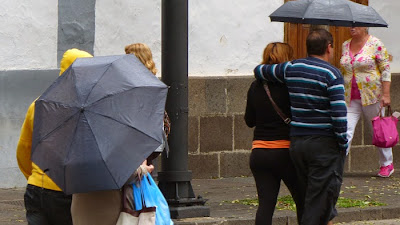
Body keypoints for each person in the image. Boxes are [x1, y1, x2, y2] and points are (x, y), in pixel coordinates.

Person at [253, 29, 348, 225]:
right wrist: (342, 141)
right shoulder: (332, 74)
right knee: (318, 200)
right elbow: (339, 114)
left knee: (309, 196)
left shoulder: (291, 68)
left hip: (298, 144)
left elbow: (259, 71)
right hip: (323, 144)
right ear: (329, 47)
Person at [71, 43, 167, 225]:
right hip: (107, 204)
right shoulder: (111, 125)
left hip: (81, 205)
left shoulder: (77, 129)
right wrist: (141, 170)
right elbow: (116, 170)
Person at [16, 48, 93, 225]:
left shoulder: (39, 104)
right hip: (69, 190)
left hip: (37, 188)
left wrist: (35, 176)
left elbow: (24, 148)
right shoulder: (88, 109)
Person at [245, 42, 302, 225]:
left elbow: (249, 121)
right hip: (285, 152)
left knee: (266, 205)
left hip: (259, 153)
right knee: (303, 201)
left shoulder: (255, 86)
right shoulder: (290, 86)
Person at [340, 27, 393, 177]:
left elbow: (386, 69)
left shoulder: (376, 43)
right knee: (345, 130)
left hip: (372, 95)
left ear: (365, 27)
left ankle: (387, 164)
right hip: (350, 97)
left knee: (379, 130)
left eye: (356, 25)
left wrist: (387, 94)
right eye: (350, 25)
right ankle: (337, 165)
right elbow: (344, 69)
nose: (352, 28)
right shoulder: (345, 44)